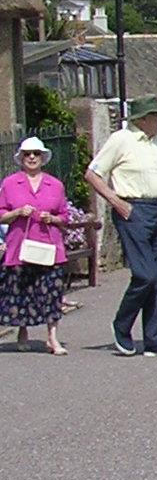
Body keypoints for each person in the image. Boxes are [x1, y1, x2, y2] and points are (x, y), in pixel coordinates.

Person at [86, 99, 157, 357]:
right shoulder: (121, 140)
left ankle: (154, 338)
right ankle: (122, 325)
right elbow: (93, 174)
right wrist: (116, 201)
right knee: (144, 274)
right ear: (142, 118)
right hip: (133, 209)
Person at [0, 136, 71, 354]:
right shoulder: (10, 183)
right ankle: (23, 333)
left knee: (51, 293)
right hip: (19, 247)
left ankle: (52, 338)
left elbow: (65, 216)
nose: (32, 157)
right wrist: (16, 213)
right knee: (22, 291)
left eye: (36, 153)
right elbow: (1, 214)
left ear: (43, 157)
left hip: (49, 248)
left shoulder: (55, 185)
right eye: (27, 154)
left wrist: (53, 219)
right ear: (21, 158)